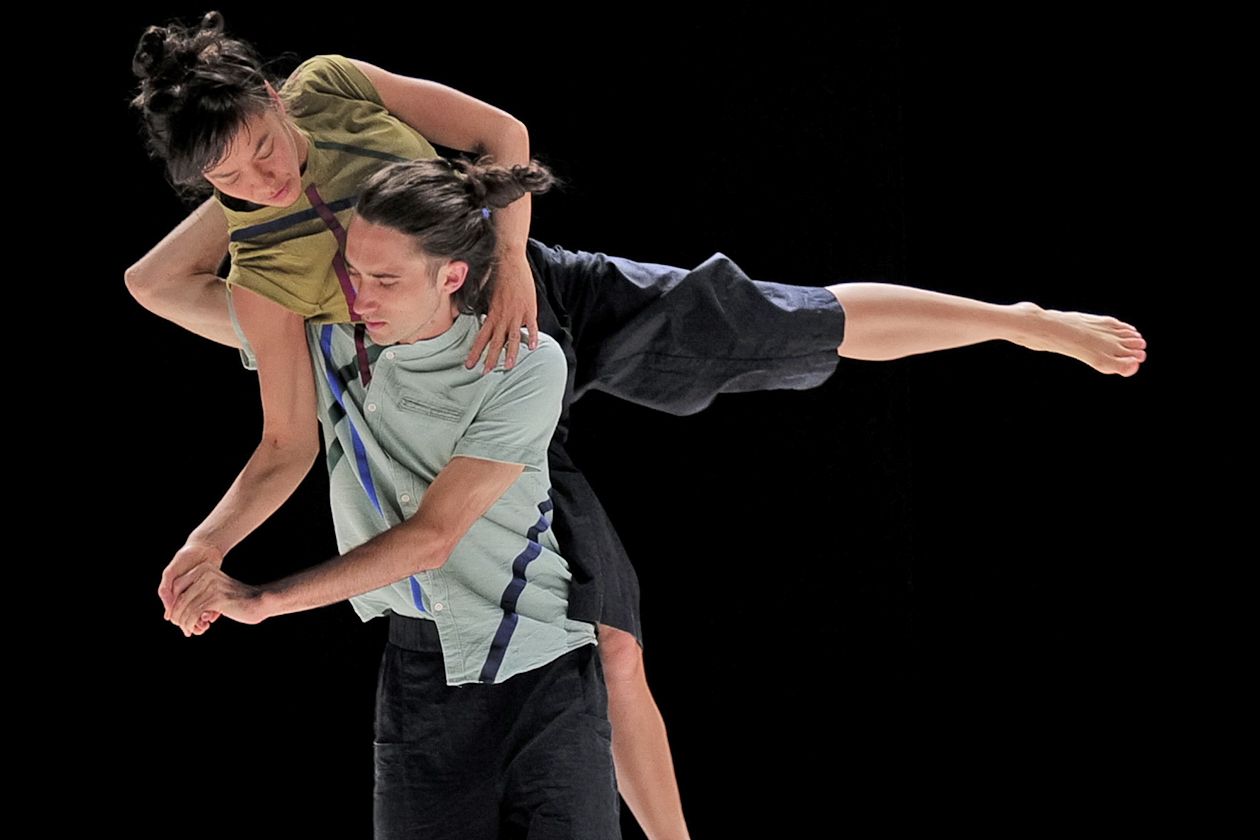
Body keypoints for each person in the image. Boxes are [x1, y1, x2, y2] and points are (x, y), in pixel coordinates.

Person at [127, 13, 1147, 838]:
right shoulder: (260, 264)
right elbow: (285, 439)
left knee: (778, 320)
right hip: (469, 387)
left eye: (263, 147)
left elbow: (503, 139)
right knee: (609, 642)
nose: (261, 178)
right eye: (227, 176)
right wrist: (208, 545)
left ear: (274, 97)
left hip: (535, 297)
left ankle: (1016, 321)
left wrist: (513, 264)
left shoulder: (329, 85)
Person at [168, 157, 620, 838]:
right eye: (352, 272)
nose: (359, 298)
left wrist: (262, 601)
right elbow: (159, 282)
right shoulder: (323, 345)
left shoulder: (522, 364)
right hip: (417, 674)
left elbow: (432, 539)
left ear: (452, 276)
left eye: (385, 280)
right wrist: (269, 167)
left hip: (542, 672)